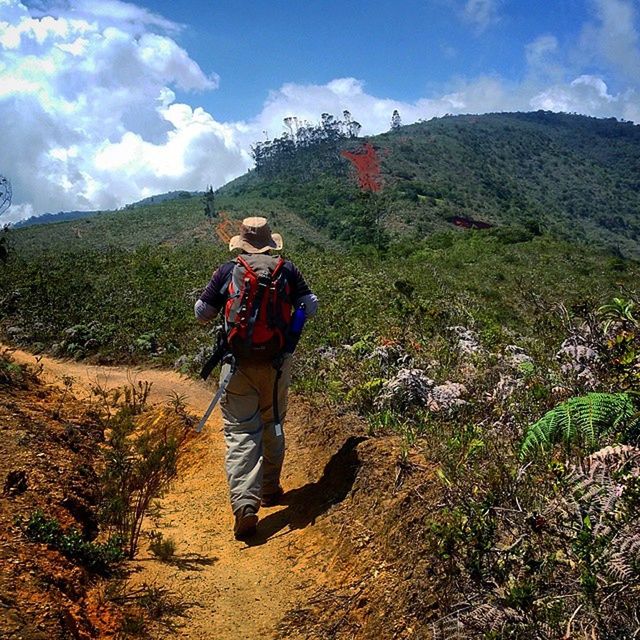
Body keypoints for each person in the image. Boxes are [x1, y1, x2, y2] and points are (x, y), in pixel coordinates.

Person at [194, 216, 318, 539]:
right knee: (273, 422)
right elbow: (310, 306)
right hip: (276, 366)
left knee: (239, 433)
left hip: (236, 368)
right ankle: (270, 489)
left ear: (242, 243)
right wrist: (291, 330)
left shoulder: (227, 271)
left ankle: (245, 505)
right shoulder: (287, 270)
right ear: (270, 242)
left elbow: (202, 313)